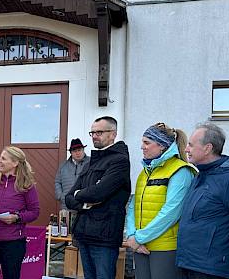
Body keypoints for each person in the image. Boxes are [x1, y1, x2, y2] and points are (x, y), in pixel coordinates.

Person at [176, 122, 229, 279]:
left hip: (213, 268)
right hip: (189, 263)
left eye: (190, 145)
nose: (186, 149)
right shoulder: (200, 175)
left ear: (207, 148)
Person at [125, 123, 195, 279]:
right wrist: (131, 235)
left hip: (164, 248)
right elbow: (133, 206)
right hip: (140, 246)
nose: (142, 147)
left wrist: (139, 238)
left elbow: (171, 212)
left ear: (162, 146)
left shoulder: (180, 171)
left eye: (147, 142)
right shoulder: (146, 172)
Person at [65, 116, 131, 279]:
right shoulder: (90, 163)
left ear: (113, 134)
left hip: (104, 237)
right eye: (92, 132)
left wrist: (79, 194)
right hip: (84, 233)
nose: (94, 136)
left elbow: (99, 192)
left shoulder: (120, 161)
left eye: (99, 132)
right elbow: (68, 197)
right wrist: (85, 204)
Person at [0, 146, 40, 279]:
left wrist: (16, 218)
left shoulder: (27, 185)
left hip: (13, 243)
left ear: (15, 163)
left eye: (3, 158)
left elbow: (34, 212)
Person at [55, 138, 90, 216]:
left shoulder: (91, 163)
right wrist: (61, 196)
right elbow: (57, 182)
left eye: (79, 150)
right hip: (66, 207)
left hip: (86, 207)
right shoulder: (63, 166)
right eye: (74, 151)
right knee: (66, 227)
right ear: (71, 152)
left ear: (83, 150)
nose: (77, 153)